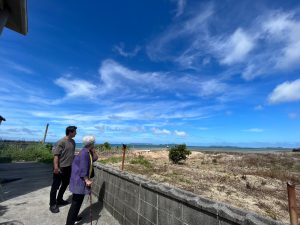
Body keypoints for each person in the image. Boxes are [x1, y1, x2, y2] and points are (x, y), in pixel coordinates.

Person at [66, 135, 98, 225]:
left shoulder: (86, 151)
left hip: (78, 180)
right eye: (93, 143)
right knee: (76, 203)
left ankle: (74, 217)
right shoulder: (84, 153)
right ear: (92, 143)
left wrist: (93, 150)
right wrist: (87, 180)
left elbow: (94, 158)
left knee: (78, 201)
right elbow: (83, 169)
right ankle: (69, 223)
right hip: (79, 181)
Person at [49, 126, 77, 213]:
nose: (76, 133)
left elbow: (71, 154)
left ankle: (59, 199)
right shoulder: (61, 142)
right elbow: (56, 155)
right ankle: (52, 204)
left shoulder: (73, 141)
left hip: (68, 167)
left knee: (65, 183)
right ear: (70, 132)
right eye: (75, 132)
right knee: (55, 186)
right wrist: (56, 167)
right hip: (60, 167)